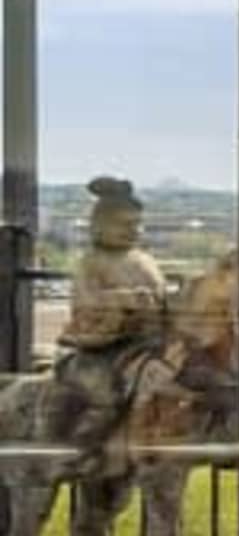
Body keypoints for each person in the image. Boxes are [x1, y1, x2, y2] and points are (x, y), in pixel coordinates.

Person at [47, 175, 172, 459]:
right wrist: (124, 301)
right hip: (97, 350)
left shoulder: (145, 261)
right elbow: (86, 303)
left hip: (143, 346)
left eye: (137, 224)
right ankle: (83, 447)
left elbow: (162, 301)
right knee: (107, 394)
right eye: (124, 224)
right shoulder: (91, 262)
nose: (133, 230)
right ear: (100, 225)